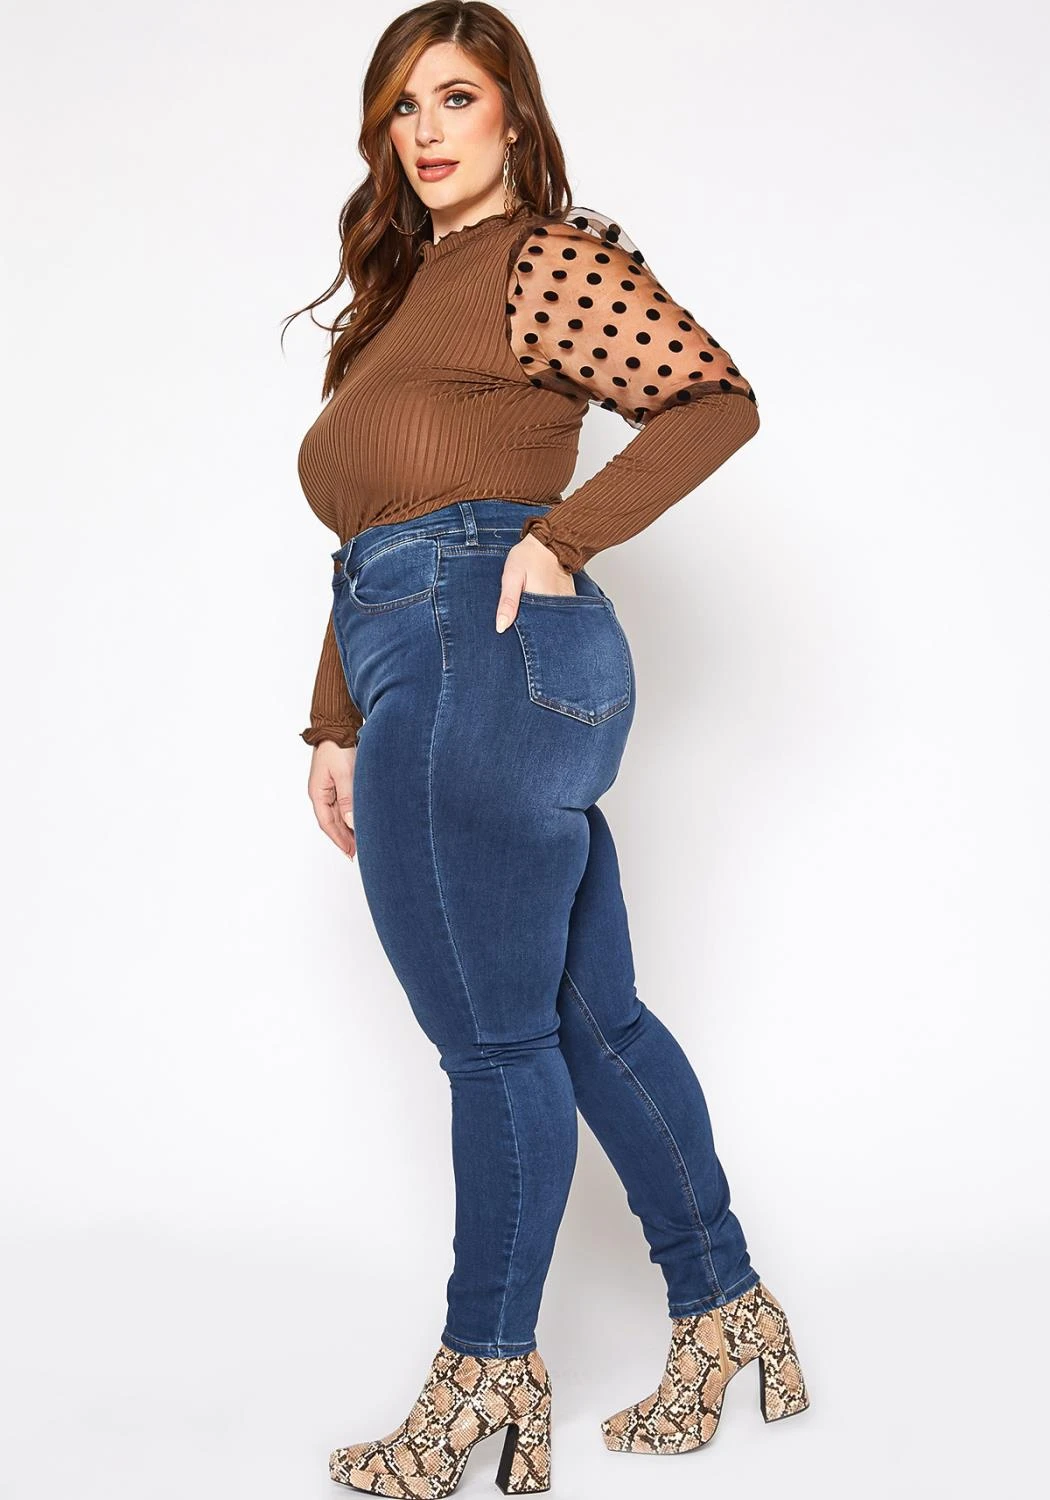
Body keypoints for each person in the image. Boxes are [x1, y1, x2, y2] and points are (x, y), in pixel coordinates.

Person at [284, 4, 810, 1494]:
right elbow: (369, 531)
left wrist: (563, 537)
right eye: (403, 107)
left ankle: (485, 1379)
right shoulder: (401, 303)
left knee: (492, 1042)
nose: (427, 131)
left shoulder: (541, 260)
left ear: (513, 112)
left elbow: (712, 402)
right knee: (590, 1019)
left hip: (484, 646)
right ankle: (727, 1313)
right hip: (430, 659)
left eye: (457, 97)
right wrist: (334, 718)